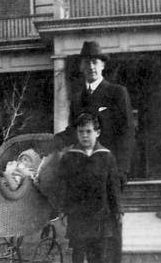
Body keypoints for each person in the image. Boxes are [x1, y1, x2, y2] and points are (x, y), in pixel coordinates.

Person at [53, 40, 133, 263]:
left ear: (103, 66)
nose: (91, 66)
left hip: (109, 171)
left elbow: (127, 133)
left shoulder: (117, 93)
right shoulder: (78, 98)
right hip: (82, 173)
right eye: (87, 62)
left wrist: (122, 171)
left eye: (95, 62)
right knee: (82, 236)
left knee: (109, 231)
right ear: (81, 66)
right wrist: (53, 142)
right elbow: (72, 131)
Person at [59, 113, 122, 263]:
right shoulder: (69, 157)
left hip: (100, 216)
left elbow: (113, 186)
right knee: (78, 255)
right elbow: (63, 186)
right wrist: (63, 209)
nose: (84, 136)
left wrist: (117, 209)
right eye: (81, 132)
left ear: (97, 133)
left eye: (88, 131)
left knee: (99, 256)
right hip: (78, 215)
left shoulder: (106, 157)